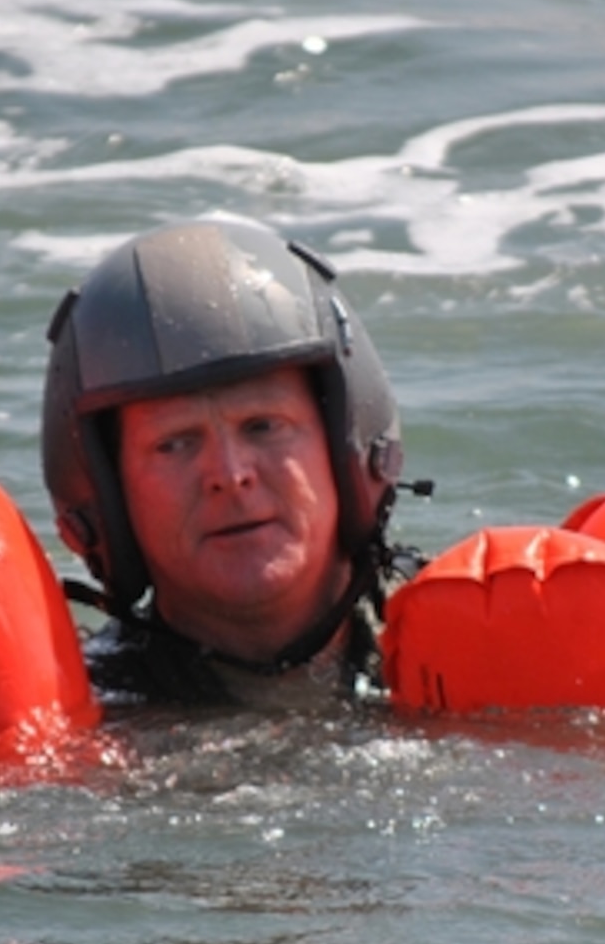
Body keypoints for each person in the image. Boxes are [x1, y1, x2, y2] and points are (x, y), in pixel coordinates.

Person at [41, 218, 419, 708]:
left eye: (263, 425)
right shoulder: (81, 719)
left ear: (347, 446)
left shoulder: (479, 646)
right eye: (175, 443)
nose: (230, 475)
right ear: (108, 496)